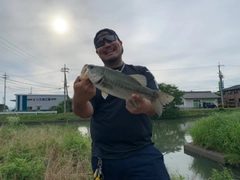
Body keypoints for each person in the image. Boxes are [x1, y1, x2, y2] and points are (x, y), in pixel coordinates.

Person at [72, 28, 170, 180]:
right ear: (97, 52)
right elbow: (85, 112)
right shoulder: (90, 84)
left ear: (120, 43)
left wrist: (147, 107)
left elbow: (152, 109)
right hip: (104, 158)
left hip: (143, 152)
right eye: (100, 43)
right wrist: (79, 98)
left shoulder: (141, 71)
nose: (106, 44)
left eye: (111, 39)